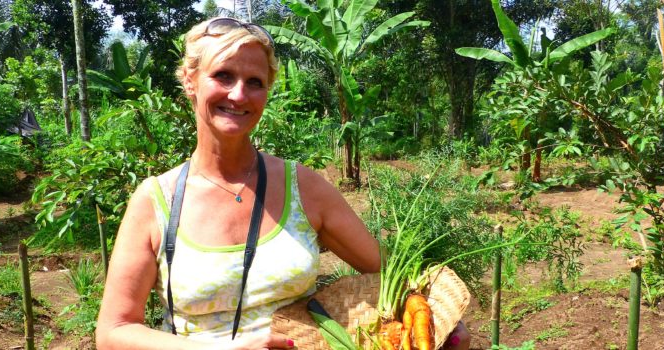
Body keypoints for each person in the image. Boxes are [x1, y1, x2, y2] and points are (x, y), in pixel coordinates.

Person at [95, 17, 469, 350]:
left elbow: (390, 273)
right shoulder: (157, 200)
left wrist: (437, 318)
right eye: (223, 75)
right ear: (190, 80)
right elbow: (114, 331)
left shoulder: (303, 188)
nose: (239, 94)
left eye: (254, 82)